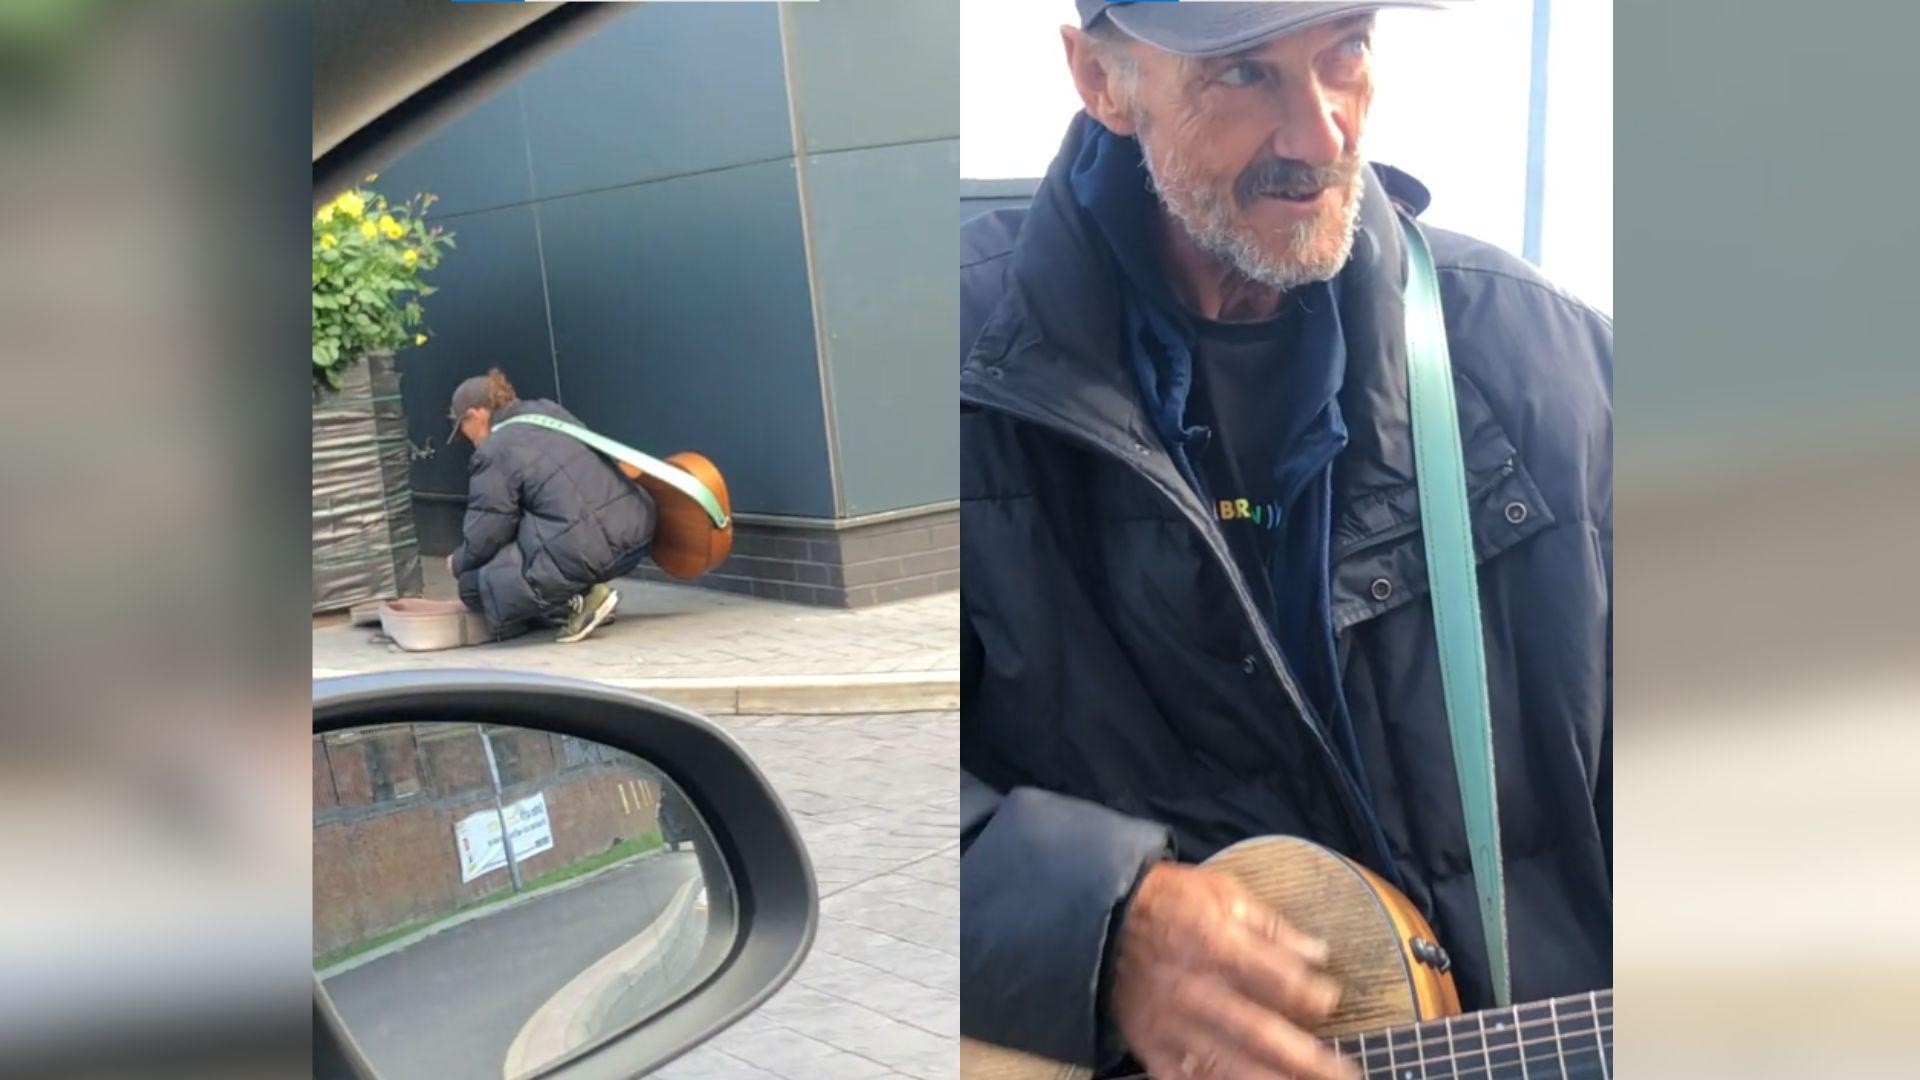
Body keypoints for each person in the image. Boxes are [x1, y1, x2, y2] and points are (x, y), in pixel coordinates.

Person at [959, 4, 1611, 1080]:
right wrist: (1097, 928)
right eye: (1242, 72)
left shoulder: (1558, 371)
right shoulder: (958, 371)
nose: (1321, 134)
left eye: (1345, 48)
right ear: (1103, 80)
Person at [445, 368, 657, 644]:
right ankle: (587, 596)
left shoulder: (493, 450)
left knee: (473, 586)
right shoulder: (547, 411)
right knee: (540, 533)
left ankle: (582, 600)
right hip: (637, 528)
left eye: (463, 430)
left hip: (590, 549)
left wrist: (458, 562)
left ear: (475, 415)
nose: (467, 439)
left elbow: (488, 533)